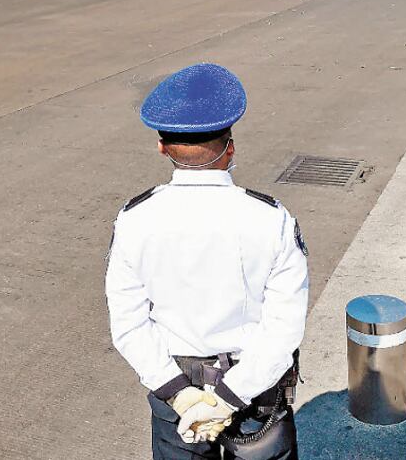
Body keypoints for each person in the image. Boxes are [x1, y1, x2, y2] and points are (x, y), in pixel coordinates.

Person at [107, 63, 309, 460]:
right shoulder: (271, 219)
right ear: (230, 147)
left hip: (176, 398)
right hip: (257, 400)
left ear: (162, 147)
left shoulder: (135, 220)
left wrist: (182, 397)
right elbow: (284, 327)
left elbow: (129, 325)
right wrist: (229, 398)